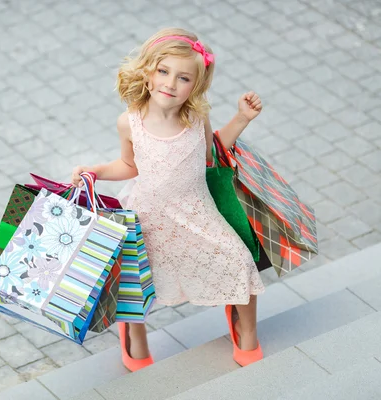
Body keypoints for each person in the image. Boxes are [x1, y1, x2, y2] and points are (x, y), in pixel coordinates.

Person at [71, 27, 265, 370]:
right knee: (132, 280)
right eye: (163, 71)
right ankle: (134, 338)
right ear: (148, 72)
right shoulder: (129, 123)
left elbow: (212, 154)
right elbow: (129, 165)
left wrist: (242, 119)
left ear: (196, 85)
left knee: (239, 261)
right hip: (148, 215)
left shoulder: (195, 117)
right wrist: (96, 171)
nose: (171, 83)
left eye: (183, 77)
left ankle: (245, 331)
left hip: (196, 212)